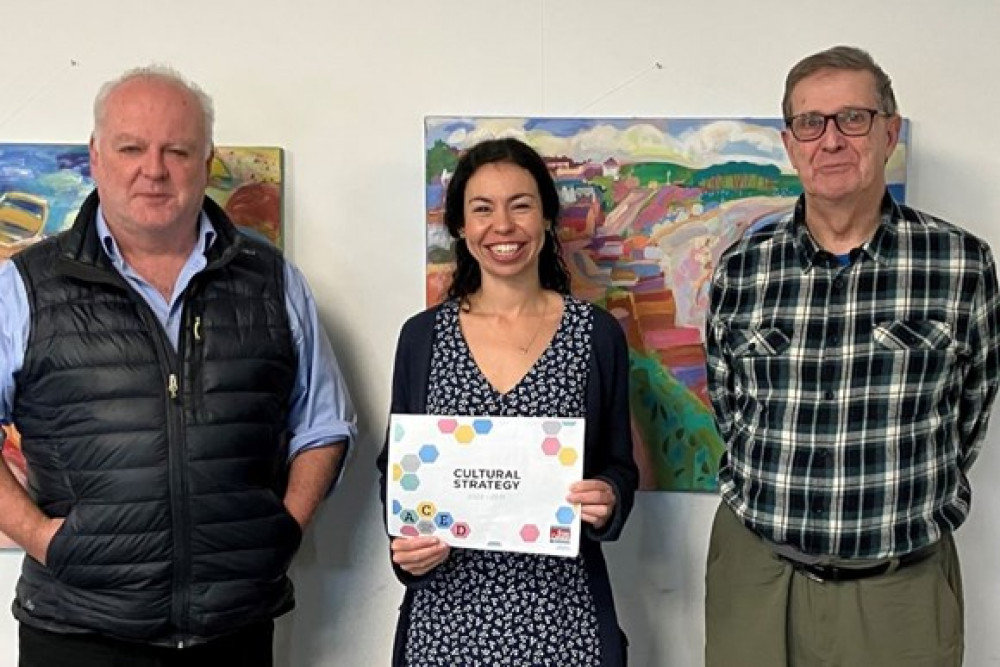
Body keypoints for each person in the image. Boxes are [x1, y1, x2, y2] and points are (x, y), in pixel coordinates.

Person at [0, 65, 357, 666]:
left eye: (177, 150)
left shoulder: (273, 281)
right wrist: (42, 538)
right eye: (131, 147)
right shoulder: (24, 287)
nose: (154, 169)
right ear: (96, 155)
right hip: (76, 634)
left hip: (233, 633)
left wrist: (282, 532)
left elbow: (325, 425)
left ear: (208, 161)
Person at [704, 45, 1000, 667]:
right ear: (790, 144)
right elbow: (731, 412)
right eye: (810, 124)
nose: (830, 140)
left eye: (853, 119)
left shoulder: (960, 266)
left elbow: (969, 415)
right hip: (757, 579)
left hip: (899, 591)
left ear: (889, 131)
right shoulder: (742, 270)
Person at [377, 137, 638, 666]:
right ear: (460, 227)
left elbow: (619, 466)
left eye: (520, 205)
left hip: (566, 623)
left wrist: (608, 497)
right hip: (445, 625)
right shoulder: (422, 338)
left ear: (546, 219)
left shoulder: (596, 335)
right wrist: (406, 547)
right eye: (482, 209)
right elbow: (396, 471)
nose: (503, 226)